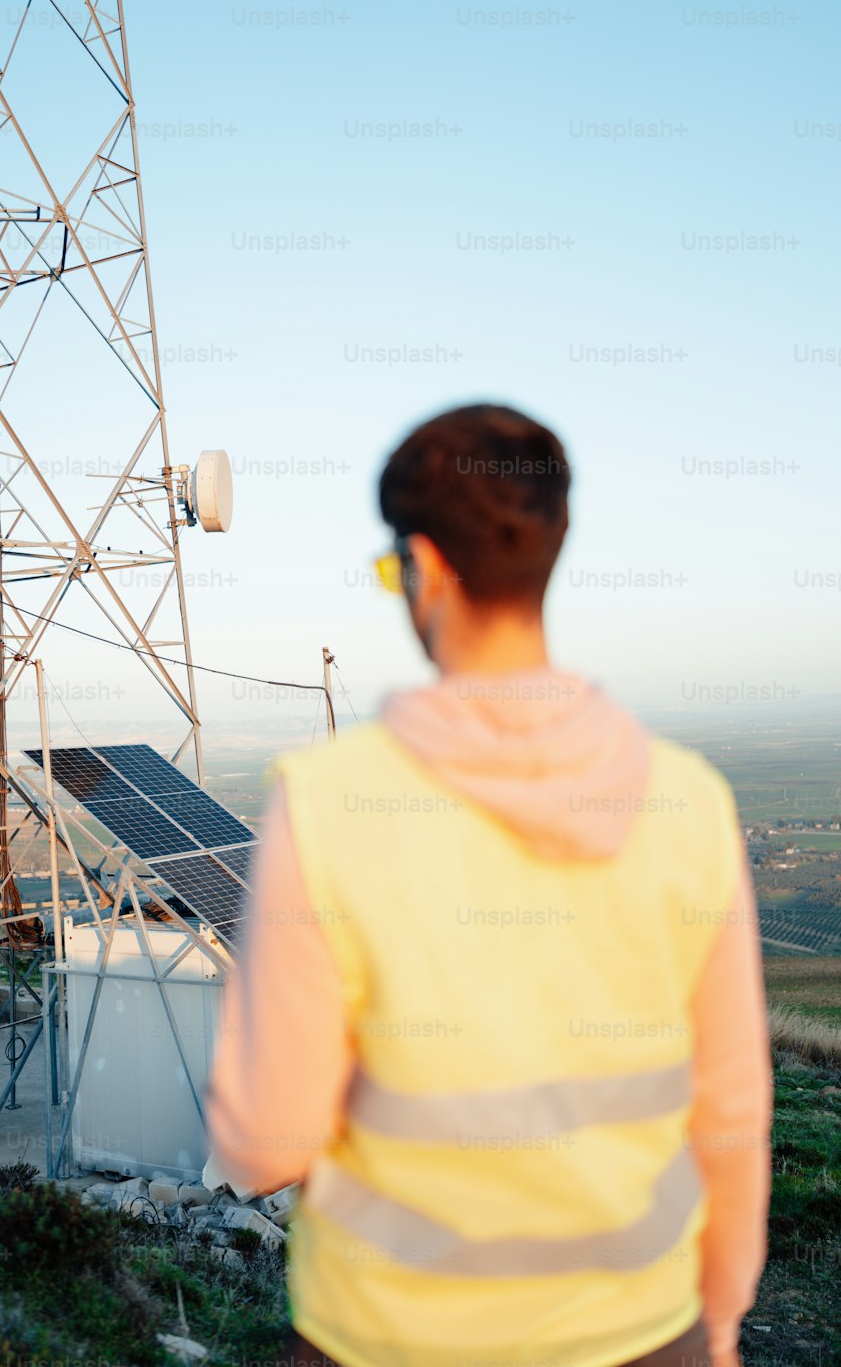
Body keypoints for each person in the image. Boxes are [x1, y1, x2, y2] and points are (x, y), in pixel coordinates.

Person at [205, 404, 771, 1367]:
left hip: (386, 1339)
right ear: (551, 551)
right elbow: (730, 1110)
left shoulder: (331, 802)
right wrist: (716, 1323)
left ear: (422, 567)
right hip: (642, 1333)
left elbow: (265, 1145)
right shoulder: (689, 800)